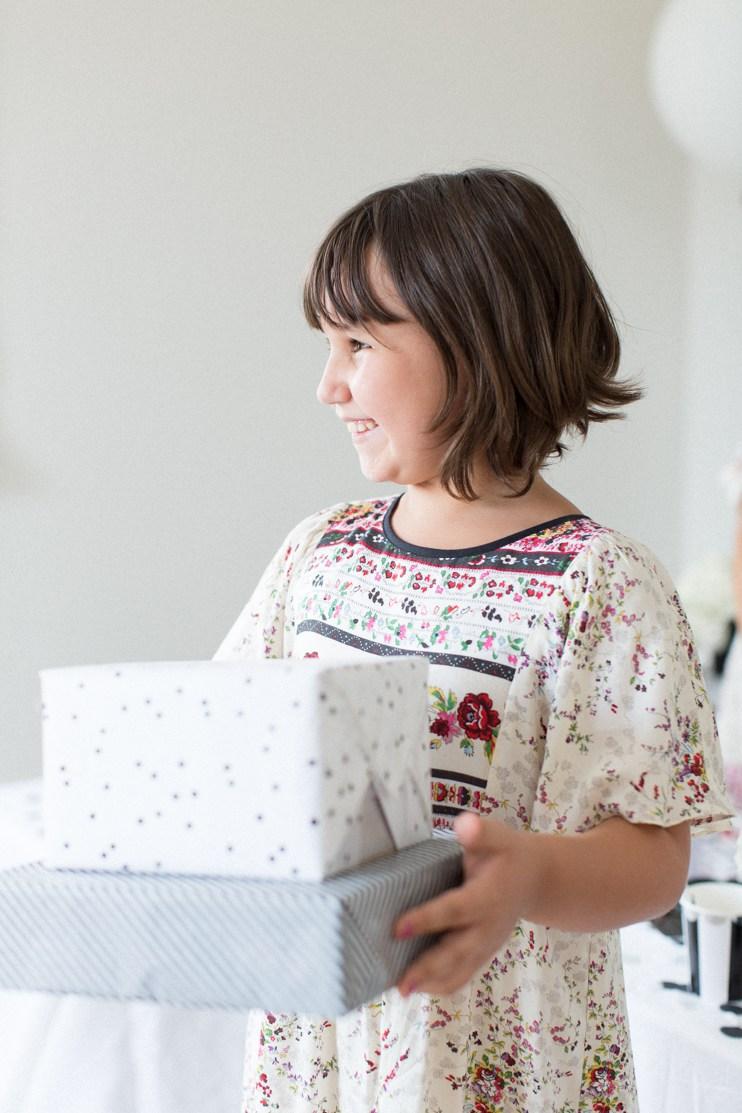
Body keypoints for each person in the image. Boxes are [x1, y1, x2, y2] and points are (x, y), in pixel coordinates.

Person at [213, 167, 734, 1113]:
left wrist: (531, 871)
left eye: (358, 343)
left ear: (477, 338)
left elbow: (657, 854)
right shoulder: (320, 555)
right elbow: (232, 737)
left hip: (501, 1062)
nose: (328, 384)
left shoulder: (600, 584)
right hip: (319, 1050)